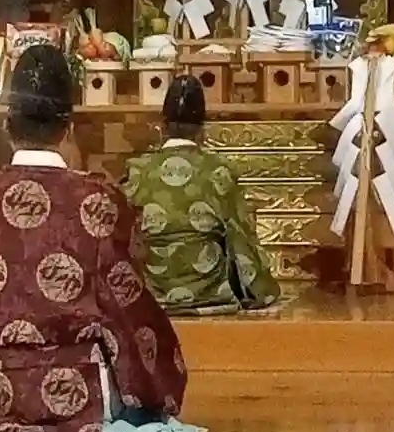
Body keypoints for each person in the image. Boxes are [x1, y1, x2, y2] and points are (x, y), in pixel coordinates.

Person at [0, 44, 187, 432]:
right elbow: (129, 308)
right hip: (77, 398)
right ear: (68, 128)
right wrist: (162, 383)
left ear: (7, 125)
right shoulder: (97, 199)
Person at [120, 75, 281, 316]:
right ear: (202, 131)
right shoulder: (218, 170)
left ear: (162, 127)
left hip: (152, 297)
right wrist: (262, 290)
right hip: (210, 294)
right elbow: (241, 239)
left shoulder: (137, 170)